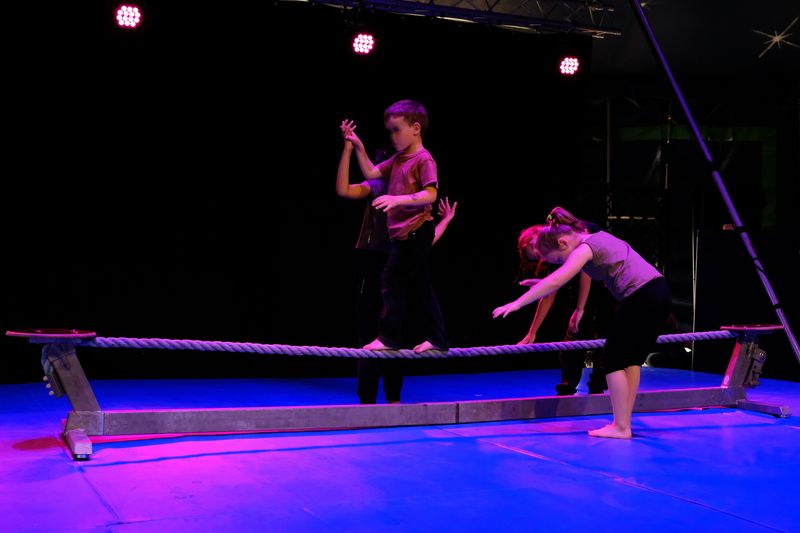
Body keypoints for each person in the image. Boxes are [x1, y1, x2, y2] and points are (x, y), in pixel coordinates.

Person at [494, 208, 672, 439]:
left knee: (612, 360)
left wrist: (518, 303)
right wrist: (540, 283)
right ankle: (624, 423)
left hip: (640, 296)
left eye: (559, 259)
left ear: (563, 242)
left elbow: (557, 280)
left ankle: (620, 427)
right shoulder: (590, 234)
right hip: (659, 291)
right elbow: (558, 278)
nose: (562, 263)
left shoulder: (584, 248)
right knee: (631, 360)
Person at [337, 114, 457, 403]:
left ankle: (390, 340)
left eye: (396, 130)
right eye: (389, 131)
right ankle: (438, 338)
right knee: (422, 288)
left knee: (392, 280)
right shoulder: (398, 160)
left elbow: (430, 194)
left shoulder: (423, 159)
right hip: (405, 238)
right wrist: (356, 144)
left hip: (415, 234)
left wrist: (397, 199)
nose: (392, 136)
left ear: (415, 129)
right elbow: (370, 171)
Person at [516, 209, 607, 395]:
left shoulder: (571, 236)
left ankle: (599, 379)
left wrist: (580, 308)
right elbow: (549, 294)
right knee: (574, 334)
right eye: (537, 257)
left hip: (604, 284)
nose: (541, 256)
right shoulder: (551, 254)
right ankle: (569, 381)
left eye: (536, 252)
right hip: (582, 291)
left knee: (604, 333)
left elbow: (587, 272)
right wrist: (532, 333)